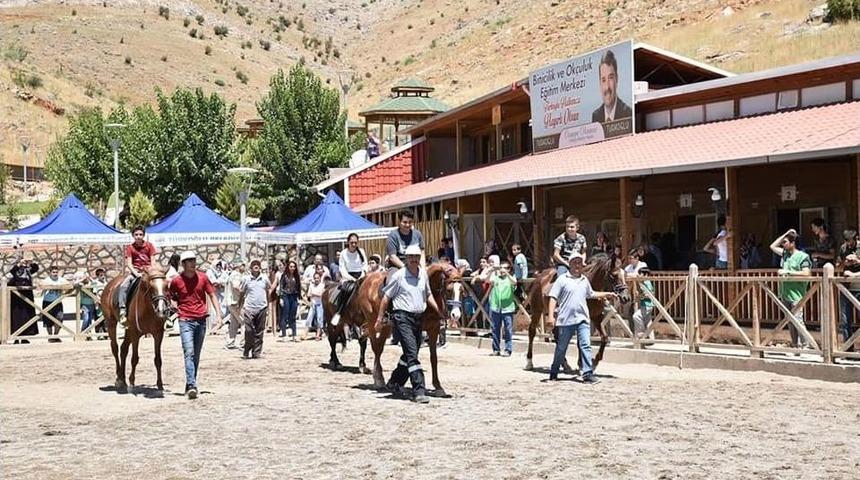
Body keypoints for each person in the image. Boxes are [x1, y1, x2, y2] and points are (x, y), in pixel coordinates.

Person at [374, 245, 442, 404]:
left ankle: (395, 382)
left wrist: (438, 310)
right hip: (402, 317)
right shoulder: (399, 276)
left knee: (410, 354)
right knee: (412, 353)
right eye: (410, 257)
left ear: (419, 258)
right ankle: (419, 390)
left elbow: (428, 294)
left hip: (418, 318)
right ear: (406, 258)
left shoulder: (423, 275)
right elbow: (386, 298)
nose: (413, 260)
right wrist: (379, 319)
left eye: (416, 257)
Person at [546, 256, 617, 383]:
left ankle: (587, 373)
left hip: (582, 318)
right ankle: (554, 370)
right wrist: (551, 316)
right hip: (566, 319)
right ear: (570, 264)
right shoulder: (562, 280)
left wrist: (607, 294)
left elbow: (591, 294)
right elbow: (553, 297)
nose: (578, 265)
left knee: (585, 345)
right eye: (575, 263)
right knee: (561, 348)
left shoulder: (584, 280)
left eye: (580, 263)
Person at [168, 250, 224, 399]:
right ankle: (192, 385)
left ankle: (190, 382)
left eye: (194, 260)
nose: (193, 263)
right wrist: (174, 304)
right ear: (184, 264)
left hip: (201, 320)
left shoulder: (203, 278)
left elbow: (212, 294)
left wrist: (218, 316)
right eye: (190, 261)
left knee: (196, 355)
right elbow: (171, 296)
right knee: (189, 352)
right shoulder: (176, 281)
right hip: (185, 319)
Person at [769, 230, 812, 349]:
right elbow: (772, 246)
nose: (783, 244)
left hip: (797, 294)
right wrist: (785, 233)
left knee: (798, 320)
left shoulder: (803, 256)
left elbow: (806, 273)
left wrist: (788, 272)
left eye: (785, 242)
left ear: (793, 243)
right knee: (789, 321)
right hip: (785, 293)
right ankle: (795, 344)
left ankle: (806, 345)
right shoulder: (785, 254)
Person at [118, 226, 157, 326]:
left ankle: (167, 311)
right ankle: (122, 310)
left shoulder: (150, 246)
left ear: (143, 235)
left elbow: (153, 261)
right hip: (135, 273)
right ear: (133, 236)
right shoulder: (130, 248)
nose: (138, 237)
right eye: (136, 235)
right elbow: (129, 264)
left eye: (140, 234)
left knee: (161, 286)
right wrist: (136, 274)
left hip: (148, 272)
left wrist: (150, 272)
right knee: (123, 286)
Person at [240, 259, 276, 359]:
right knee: (249, 331)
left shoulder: (264, 278)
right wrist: (240, 306)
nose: (256, 266)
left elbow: (268, 290)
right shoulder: (246, 279)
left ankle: (256, 352)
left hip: (262, 307)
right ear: (250, 268)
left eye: (258, 264)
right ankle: (247, 351)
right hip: (249, 308)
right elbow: (242, 292)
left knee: (259, 331)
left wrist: (267, 304)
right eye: (254, 264)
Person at [332, 232, 368, 326]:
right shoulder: (343, 253)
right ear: (348, 242)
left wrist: (362, 275)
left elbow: (365, 265)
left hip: (361, 276)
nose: (354, 244)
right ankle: (339, 312)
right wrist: (350, 278)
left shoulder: (361, 251)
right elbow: (342, 268)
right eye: (352, 242)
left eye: (356, 242)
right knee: (344, 290)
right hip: (348, 276)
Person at [591, 49, 632, 124]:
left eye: (610, 78)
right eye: (603, 80)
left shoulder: (627, 113)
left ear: (617, 79)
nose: (607, 87)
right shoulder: (596, 116)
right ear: (599, 83)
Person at [488, 260, 516, 356]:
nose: (502, 270)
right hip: (496, 307)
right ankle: (496, 349)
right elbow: (487, 280)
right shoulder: (496, 278)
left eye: (504, 268)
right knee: (495, 329)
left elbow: (514, 282)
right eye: (501, 267)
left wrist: (507, 274)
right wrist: (491, 271)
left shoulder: (510, 278)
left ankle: (508, 349)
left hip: (508, 308)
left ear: (509, 269)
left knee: (508, 329)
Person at [837, 228, 859, 351]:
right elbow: (838, 266)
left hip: (859, 286)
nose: (848, 244)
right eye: (846, 241)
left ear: (856, 238)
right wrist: (845, 264)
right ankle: (848, 348)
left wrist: (857, 260)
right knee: (845, 320)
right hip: (847, 288)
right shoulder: (843, 248)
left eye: (850, 241)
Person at [8, 260, 40, 342]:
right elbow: (13, 271)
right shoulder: (16, 273)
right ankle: (16, 338)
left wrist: (31, 263)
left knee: (26, 317)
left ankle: (24, 337)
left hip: (27, 298)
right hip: (17, 300)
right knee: (17, 318)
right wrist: (19, 264)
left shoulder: (28, 272)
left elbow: (36, 268)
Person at [40, 265, 65, 342]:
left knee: (59, 319)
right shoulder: (46, 280)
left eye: (56, 272)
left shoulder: (61, 280)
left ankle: (56, 335)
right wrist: (48, 286)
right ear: (50, 273)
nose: (55, 274)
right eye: (53, 272)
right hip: (47, 302)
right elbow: (40, 286)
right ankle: (50, 337)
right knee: (48, 321)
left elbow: (69, 285)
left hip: (58, 302)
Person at [279, 260, 302, 342]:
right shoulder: (284, 275)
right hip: (286, 295)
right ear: (288, 267)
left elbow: (299, 287)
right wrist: (281, 297)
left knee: (293, 316)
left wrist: (299, 297)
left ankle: (294, 334)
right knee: (285, 315)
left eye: (294, 267)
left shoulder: (296, 276)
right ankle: (284, 334)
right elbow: (281, 286)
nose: (292, 268)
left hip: (294, 296)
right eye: (291, 266)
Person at [225, 260, 246, 350]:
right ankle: (243, 343)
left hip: (233, 302)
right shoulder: (236, 275)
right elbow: (236, 286)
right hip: (235, 303)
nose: (244, 267)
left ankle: (230, 342)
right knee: (244, 322)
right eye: (243, 265)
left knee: (234, 322)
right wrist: (244, 291)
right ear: (238, 266)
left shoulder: (234, 274)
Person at [305, 272, 326, 341]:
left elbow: (321, 294)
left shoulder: (322, 285)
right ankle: (305, 333)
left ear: (320, 278)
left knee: (319, 319)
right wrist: (314, 295)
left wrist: (313, 294)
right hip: (313, 304)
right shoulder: (311, 286)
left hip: (320, 304)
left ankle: (318, 334)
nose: (316, 279)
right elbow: (308, 294)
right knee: (309, 318)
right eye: (315, 278)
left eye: (317, 278)